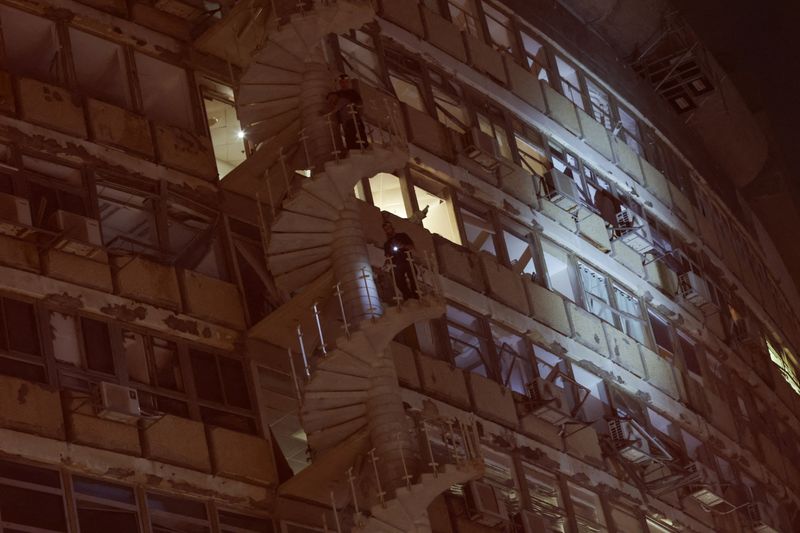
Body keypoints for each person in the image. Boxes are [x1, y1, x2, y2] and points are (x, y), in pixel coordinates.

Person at [383, 220, 417, 300]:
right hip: (397, 264)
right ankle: (407, 295)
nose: (388, 230)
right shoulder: (387, 244)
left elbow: (412, 246)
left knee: (413, 275)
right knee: (397, 278)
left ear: (392, 227)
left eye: (389, 227)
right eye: (386, 229)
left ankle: (416, 294)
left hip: (407, 260)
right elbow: (387, 256)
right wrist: (386, 262)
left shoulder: (402, 236)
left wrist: (403, 246)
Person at [333, 75, 368, 151]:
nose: (344, 84)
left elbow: (360, 104)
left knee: (359, 133)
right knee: (349, 135)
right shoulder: (338, 94)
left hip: (354, 117)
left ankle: (362, 147)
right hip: (346, 119)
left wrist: (359, 114)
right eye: (342, 82)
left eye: (345, 82)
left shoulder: (353, 93)